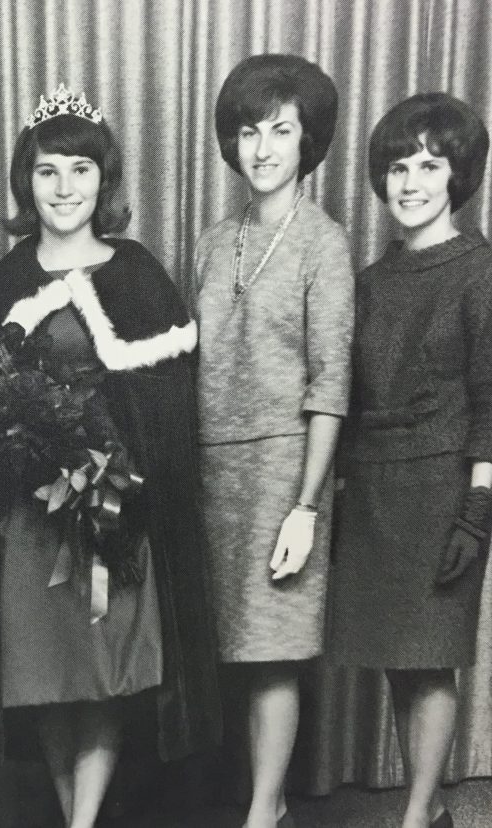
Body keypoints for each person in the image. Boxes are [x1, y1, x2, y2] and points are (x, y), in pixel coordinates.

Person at [0, 83, 220, 828]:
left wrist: (119, 476)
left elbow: (168, 405)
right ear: (25, 180)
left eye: (81, 170)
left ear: (105, 179)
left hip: (114, 514)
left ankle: (83, 820)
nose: (65, 188)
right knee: (48, 681)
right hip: (27, 527)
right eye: (48, 170)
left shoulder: (138, 273)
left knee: (103, 680)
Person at [194, 55, 353, 828]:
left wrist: (306, 505)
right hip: (210, 471)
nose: (262, 148)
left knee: (272, 653)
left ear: (307, 141)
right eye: (249, 130)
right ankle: (274, 798)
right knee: (231, 654)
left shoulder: (324, 243)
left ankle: (262, 814)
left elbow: (331, 385)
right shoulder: (212, 239)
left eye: (281, 131)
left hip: (283, 470)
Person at [328, 93, 492, 828]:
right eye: (398, 165)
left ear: (459, 176)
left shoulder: (480, 272)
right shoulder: (368, 281)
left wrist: (477, 509)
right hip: (372, 492)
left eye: (430, 164)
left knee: (430, 660)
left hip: (441, 493)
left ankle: (417, 815)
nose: (411, 181)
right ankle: (427, 815)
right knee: (399, 658)